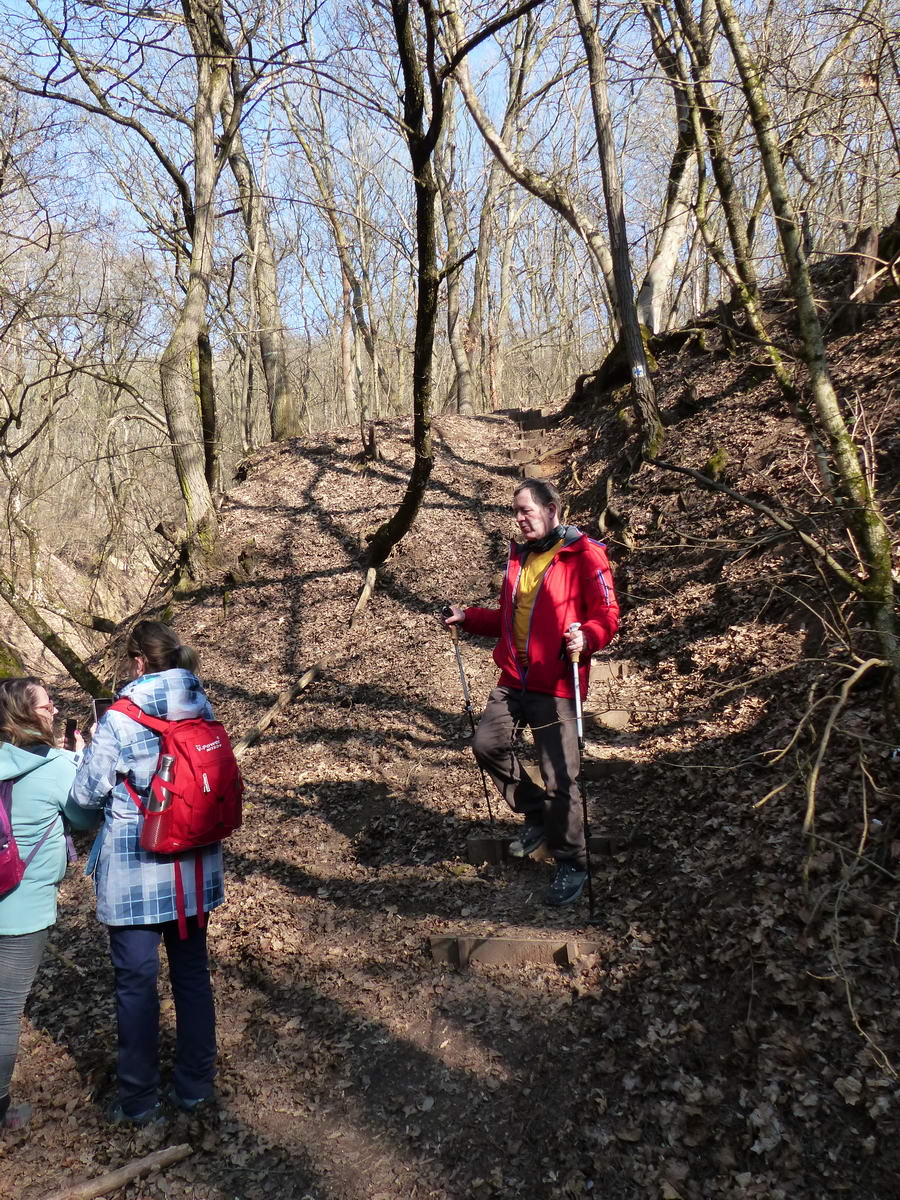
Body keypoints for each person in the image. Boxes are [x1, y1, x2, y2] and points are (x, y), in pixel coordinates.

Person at [69, 621, 224, 1126]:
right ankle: (196, 1085)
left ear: (137, 661)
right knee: (192, 974)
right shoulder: (201, 703)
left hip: (136, 866)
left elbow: (87, 795)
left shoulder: (118, 717)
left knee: (136, 983)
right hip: (193, 865)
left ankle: (138, 1099)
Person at [445, 478, 619, 906]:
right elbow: (510, 617)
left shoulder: (585, 555)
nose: (520, 520)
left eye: (526, 511)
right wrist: (468, 617)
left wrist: (589, 637)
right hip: (513, 677)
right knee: (487, 744)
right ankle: (535, 811)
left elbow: (608, 613)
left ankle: (572, 862)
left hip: (556, 682)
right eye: (515, 513)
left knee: (562, 778)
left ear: (552, 508)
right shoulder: (519, 557)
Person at [0, 677, 95, 1130]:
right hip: (22, 908)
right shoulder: (55, 766)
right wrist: (84, 761)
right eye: (46, 705)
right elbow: (83, 814)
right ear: (25, 714)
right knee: (5, 1010)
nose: (54, 710)